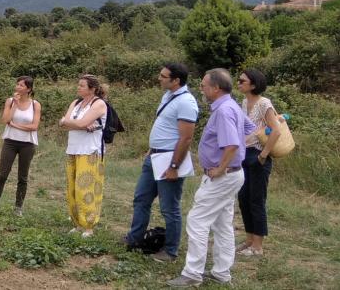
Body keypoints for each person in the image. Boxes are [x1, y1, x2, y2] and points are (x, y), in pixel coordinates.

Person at [168, 69, 254, 288]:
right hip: (234, 174)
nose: (201, 88)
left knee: (197, 220)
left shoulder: (224, 111)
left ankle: (192, 274)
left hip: (223, 176)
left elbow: (232, 143)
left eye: (204, 85)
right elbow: (251, 130)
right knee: (223, 223)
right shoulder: (232, 105)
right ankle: (221, 272)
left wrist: (221, 167)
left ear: (216, 88)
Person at [124, 63, 199, 262]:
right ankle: (134, 238)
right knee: (141, 199)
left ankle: (170, 250)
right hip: (155, 156)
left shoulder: (186, 102)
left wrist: (174, 167)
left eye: (163, 76)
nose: (159, 78)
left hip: (169, 159)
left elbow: (186, 138)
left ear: (176, 81)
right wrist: (151, 148)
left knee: (169, 207)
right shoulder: (168, 96)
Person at [235, 68, 282, 257]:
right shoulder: (244, 101)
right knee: (243, 198)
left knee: (256, 200)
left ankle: (258, 246)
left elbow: (276, 130)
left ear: (253, 84)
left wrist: (263, 155)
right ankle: (249, 240)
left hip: (257, 155)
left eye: (242, 81)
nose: (238, 83)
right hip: (243, 155)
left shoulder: (264, 103)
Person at [58, 74, 108, 238]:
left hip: (90, 151)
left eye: (82, 86)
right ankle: (77, 222)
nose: (78, 88)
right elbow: (65, 124)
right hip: (73, 149)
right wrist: (78, 124)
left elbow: (72, 122)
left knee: (85, 188)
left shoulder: (98, 104)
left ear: (92, 89)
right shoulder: (76, 103)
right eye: (78, 85)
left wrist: (70, 123)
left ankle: (88, 226)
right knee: (72, 187)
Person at [0, 76, 42, 216]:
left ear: (28, 89)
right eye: (17, 84)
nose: (17, 87)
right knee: (2, 175)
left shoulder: (35, 104)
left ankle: (18, 208)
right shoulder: (10, 101)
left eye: (21, 85)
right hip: (10, 141)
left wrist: (16, 125)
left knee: (22, 177)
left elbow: (34, 126)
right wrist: (15, 105)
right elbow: (5, 120)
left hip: (27, 144)